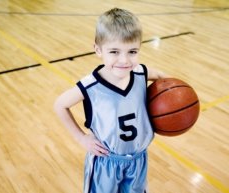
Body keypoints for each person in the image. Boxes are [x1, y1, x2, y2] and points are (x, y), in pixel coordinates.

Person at [54, 7, 167, 193]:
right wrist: (81, 138)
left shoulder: (141, 73)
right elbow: (59, 105)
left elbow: (165, 79)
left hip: (138, 159)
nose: (124, 60)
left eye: (132, 51)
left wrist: (176, 98)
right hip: (105, 162)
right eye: (114, 51)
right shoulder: (91, 85)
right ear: (98, 50)